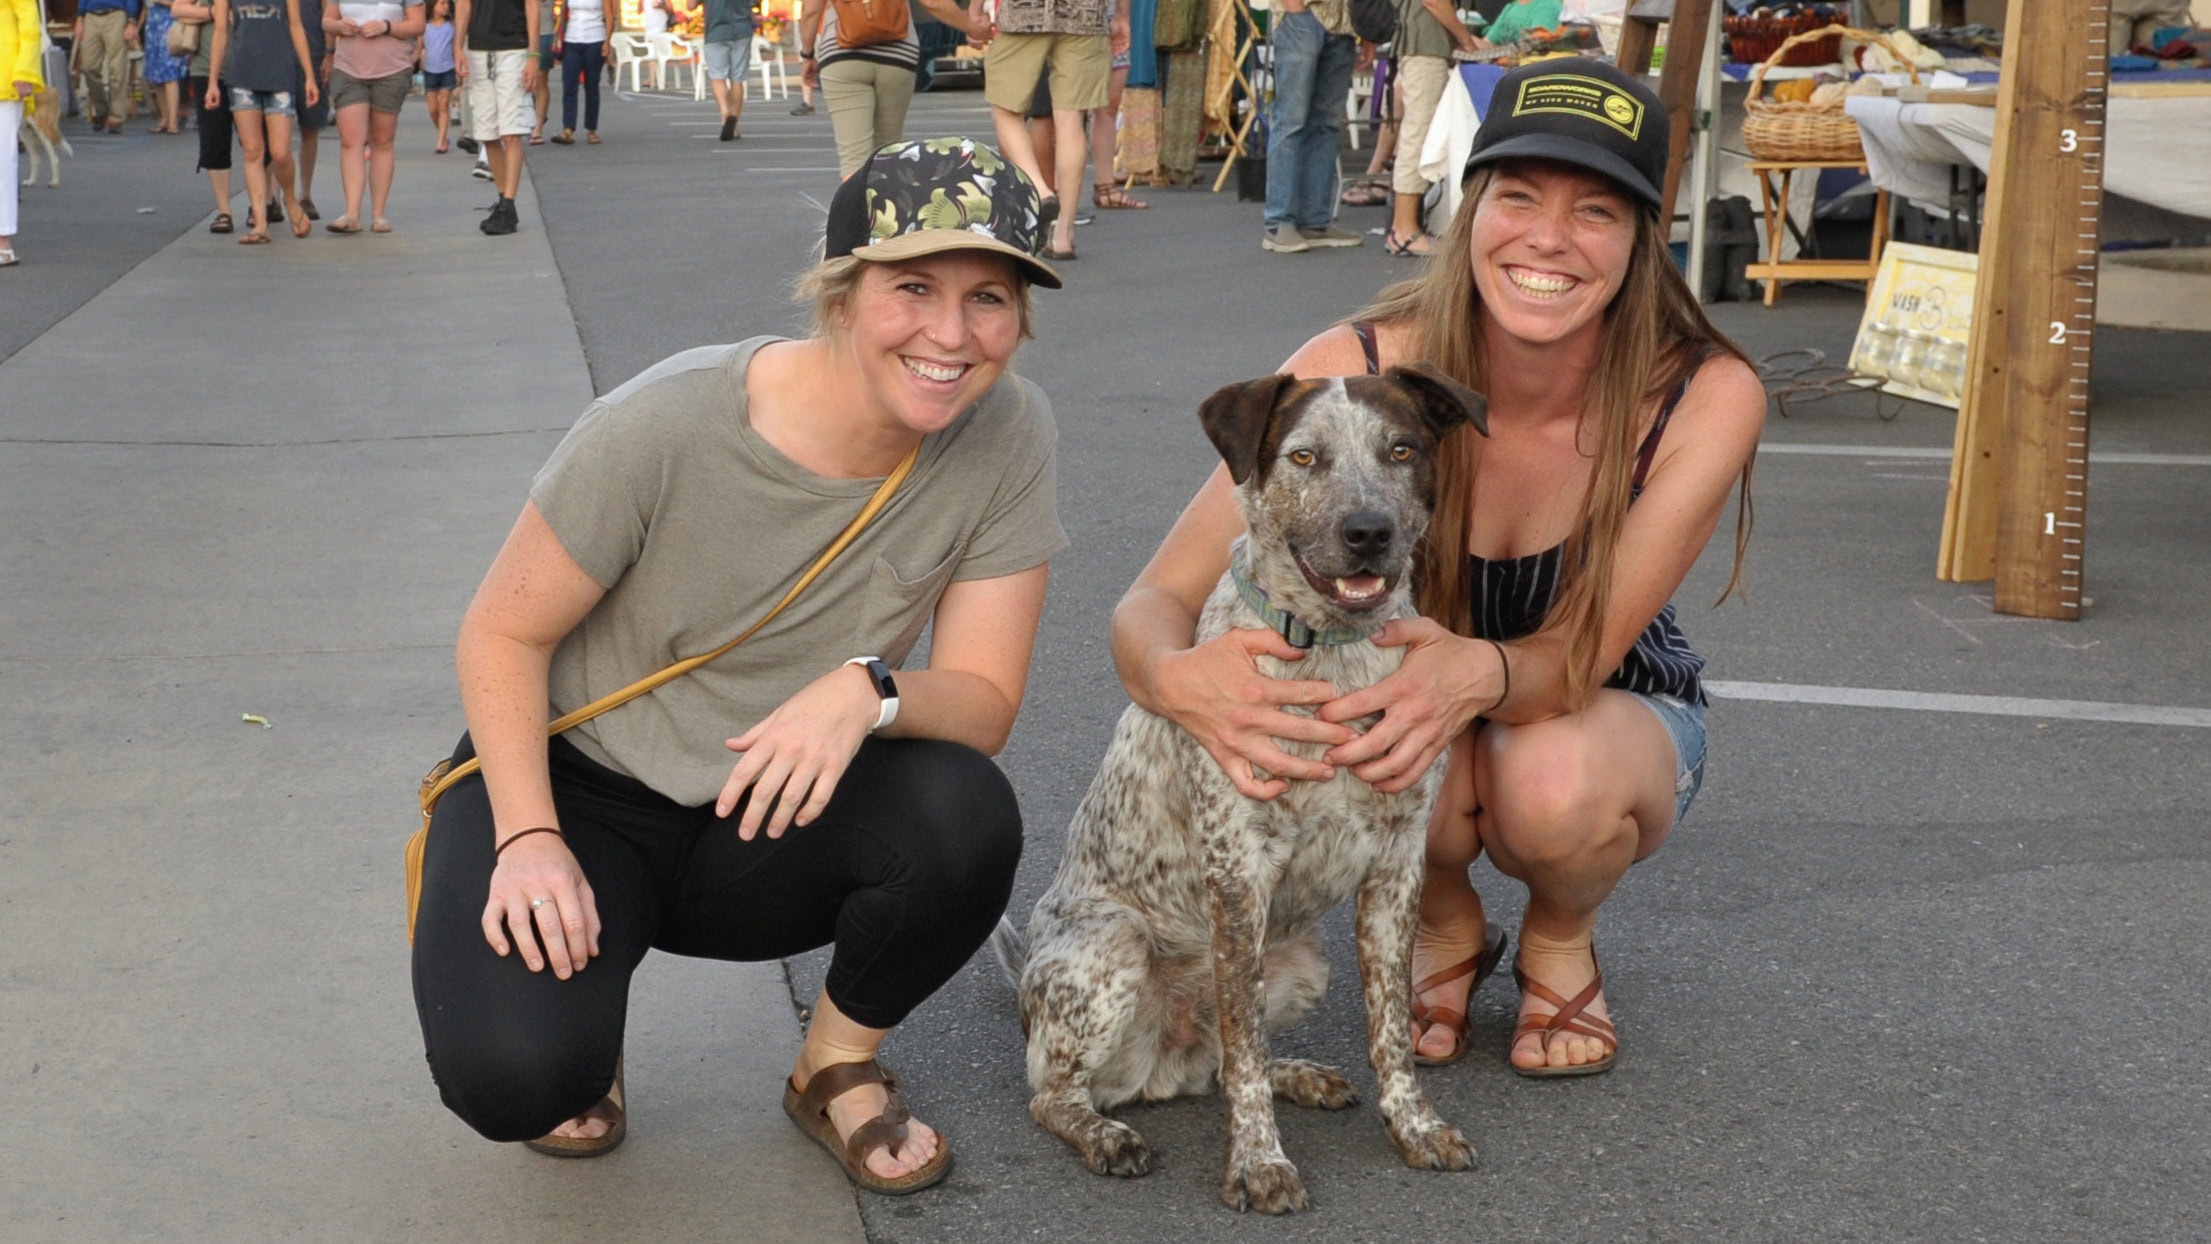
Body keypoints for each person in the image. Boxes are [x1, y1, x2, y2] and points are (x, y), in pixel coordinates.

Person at [410, 137, 1065, 1192]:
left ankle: (834, 1062)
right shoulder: (666, 421)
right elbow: (501, 632)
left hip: (768, 812)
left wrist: (869, 690)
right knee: (520, 1075)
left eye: (989, 297)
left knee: (965, 808)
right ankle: (584, 1031)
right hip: (581, 786)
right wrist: (527, 836)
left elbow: (983, 702)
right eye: (913, 287)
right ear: (843, 292)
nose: (952, 334)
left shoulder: (1007, 433)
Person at [1110, 60, 1764, 1077]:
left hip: (1605, 703)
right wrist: (1176, 681)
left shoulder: (1703, 392)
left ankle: (1557, 932)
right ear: (1470, 209)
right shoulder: (1357, 363)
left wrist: (1473, 673)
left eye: (1596, 209)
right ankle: (1447, 922)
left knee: (1548, 779)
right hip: (1403, 693)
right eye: (1518, 196)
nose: (1549, 238)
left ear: (1642, 237)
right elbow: (1155, 597)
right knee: (1365, 721)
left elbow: (1575, 660)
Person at [974, 0, 1126, 261]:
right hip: (1085, 15)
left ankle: (1041, 190)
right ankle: (1064, 235)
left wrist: (975, 9)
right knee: (1071, 119)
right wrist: (1122, 16)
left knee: (1005, 110)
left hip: (1026, 10)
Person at [796, 0, 979, 180]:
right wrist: (974, 28)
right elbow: (932, 3)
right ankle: (886, 207)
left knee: (853, 158)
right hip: (898, 55)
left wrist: (807, 55)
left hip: (842, 55)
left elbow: (811, 11)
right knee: (888, 152)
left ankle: (856, 207)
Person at [206, 0, 320, 243]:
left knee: (280, 152)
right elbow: (220, 32)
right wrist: (213, 80)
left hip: (279, 72)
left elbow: (296, 26)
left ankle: (289, 199)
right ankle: (260, 223)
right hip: (242, 74)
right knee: (252, 151)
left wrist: (309, 75)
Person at [1259, 0, 1359, 253]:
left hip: (1343, 22)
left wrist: (1365, 29)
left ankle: (1314, 221)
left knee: (1327, 123)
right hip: (1302, 14)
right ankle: (1279, 222)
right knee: (1291, 121)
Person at [1381, 0, 1477, 256]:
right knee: (1418, 134)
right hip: (1423, 46)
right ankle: (1403, 229)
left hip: (1423, 44)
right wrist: (1464, 37)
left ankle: (1405, 225)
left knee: (1418, 132)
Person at [323, 0, 423, 232]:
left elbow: (418, 25)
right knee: (350, 142)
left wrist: (386, 27)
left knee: (382, 141)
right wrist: (339, 26)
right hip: (348, 69)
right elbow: (327, 20)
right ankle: (351, 213)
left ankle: (379, 215)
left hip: (392, 69)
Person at [456, 0, 541, 235]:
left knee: (511, 130)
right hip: (477, 49)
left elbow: (532, 6)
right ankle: (504, 201)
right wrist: (457, 48)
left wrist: (533, 55)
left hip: (514, 47)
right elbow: (464, 5)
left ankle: (508, 203)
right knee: (487, 133)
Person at [1, 0, 41, 267]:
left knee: (3, 160)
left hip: (6, 77)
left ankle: (3, 240)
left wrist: (24, 70)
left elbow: (30, 26)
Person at [547, 0, 609, 144]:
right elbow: (562, 13)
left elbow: (611, 15)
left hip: (595, 39)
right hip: (572, 40)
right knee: (569, 85)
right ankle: (568, 129)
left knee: (591, 86)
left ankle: (591, 129)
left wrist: (608, 41)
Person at [73, 0, 140, 133]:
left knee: (117, 69)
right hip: (91, 15)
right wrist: (80, 17)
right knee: (88, 66)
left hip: (116, 14)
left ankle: (116, 116)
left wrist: (131, 20)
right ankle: (101, 107)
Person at [698, 0, 752, 142]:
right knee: (738, 79)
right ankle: (734, 125)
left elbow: (690, 5)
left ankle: (724, 112)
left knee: (717, 77)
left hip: (715, 31)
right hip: (742, 30)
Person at [141, 0, 194, 134]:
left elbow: (184, 5)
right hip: (153, 23)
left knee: (170, 74)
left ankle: (173, 122)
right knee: (156, 75)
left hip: (169, 24)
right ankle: (164, 118)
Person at [421, 0, 458, 151]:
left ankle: (441, 141)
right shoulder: (425, 27)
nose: (446, 6)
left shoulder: (451, 26)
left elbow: (456, 47)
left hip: (448, 68)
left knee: (443, 105)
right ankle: (442, 133)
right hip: (430, 70)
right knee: (432, 109)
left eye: (447, 3)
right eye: (442, 3)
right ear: (433, 6)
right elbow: (419, 46)